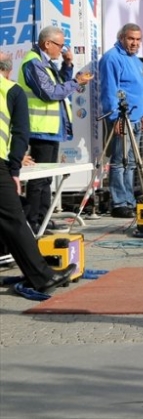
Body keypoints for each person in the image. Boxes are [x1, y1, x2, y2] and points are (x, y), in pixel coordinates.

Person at [0, 52, 77, 294]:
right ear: (8, 71)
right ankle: (42, 277)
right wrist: (14, 169)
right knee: (14, 221)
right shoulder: (11, 90)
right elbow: (21, 134)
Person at [17, 26, 93, 234]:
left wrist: (68, 66)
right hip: (39, 128)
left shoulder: (44, 63)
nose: (62, 49)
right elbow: (49, 93)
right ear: (47, 44)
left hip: (50, 128)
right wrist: (76, 82)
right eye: (60, 45)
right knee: (38, 179)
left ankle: (44, 218)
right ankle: (33, 221)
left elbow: (59, 84)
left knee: (47, 178)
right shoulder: (32, 63)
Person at [98, 23, 143, 218]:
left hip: (137, 118)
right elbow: (109, 91)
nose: (135, 43)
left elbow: (140, 90)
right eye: (131, 39)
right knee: (120, 161)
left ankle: (128, 199)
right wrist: (114, 117)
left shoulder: (136, 60)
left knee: (131, 162)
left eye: (138, 39)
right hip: (123, 118)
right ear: (122, 38)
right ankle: (119, 202)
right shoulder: (112, 58)